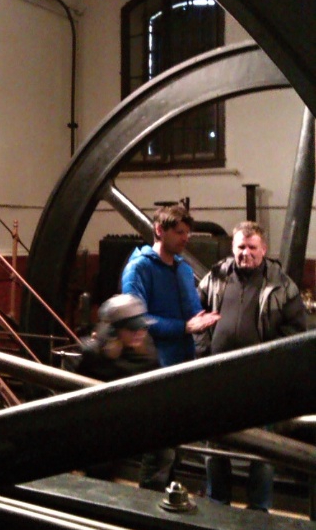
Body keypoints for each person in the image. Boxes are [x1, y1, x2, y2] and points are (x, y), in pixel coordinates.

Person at [197, 220, 307, 511]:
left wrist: (266, 363)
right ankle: (217, 502)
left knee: (262, 449)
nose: (245, 253)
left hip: (260, 382)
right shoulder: (216, 276)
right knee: (215, 446)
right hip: (217, 377)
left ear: (264, 249)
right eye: (240, 247)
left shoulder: (282, 285)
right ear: (233, 248)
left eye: (252, 247)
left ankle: (259, 508)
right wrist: (203, 353)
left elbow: (295, 331)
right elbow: (197, 315)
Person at [120, 203, 220, 489]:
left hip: (182, 367)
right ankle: (148, 505)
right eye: (179, 232)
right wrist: (184, 328)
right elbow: (136, 320)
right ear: (159, 230)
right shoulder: (139, 269)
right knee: (159, 450)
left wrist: (206, 318)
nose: (185, 238)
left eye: (187, 232)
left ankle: (168, 500)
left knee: (174, 448)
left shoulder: (183, 270)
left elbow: (192, 312)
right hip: (155, 368)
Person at [75, 293, 159, 481]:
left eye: (142, 327)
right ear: (115, 331)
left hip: (123, 428)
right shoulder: (94, 354)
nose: (140, 333)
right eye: (132, 329)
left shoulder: (144, 353)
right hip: (98, 431)